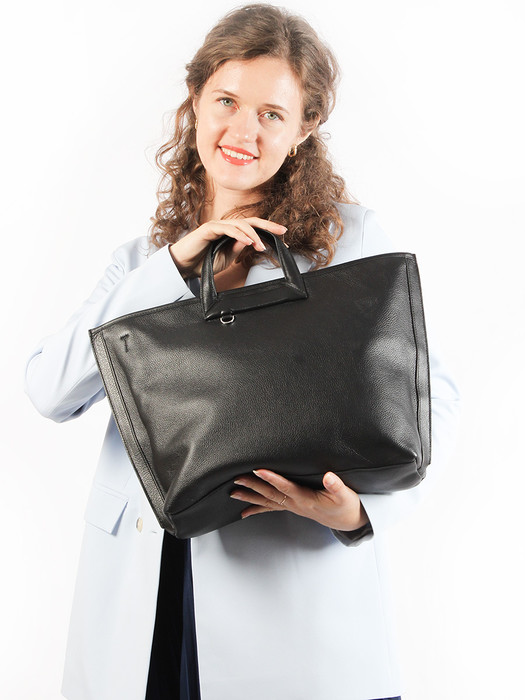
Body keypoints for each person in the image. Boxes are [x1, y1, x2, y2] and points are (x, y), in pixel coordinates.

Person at [25, 4, 460, 700]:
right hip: (144, 593)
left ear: (303, 129)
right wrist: (173, 268)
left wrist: (356, 515)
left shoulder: (348, 243)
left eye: (271, 113)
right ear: (195, 99)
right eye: (226, 101)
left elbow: (429, 402)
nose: (242, 131)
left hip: (287, 599)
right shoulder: (141, 261)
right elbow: (51, 391)